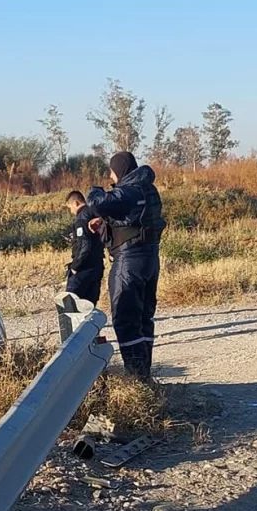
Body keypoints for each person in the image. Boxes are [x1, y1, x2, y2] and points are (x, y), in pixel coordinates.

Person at [86, 152, 166, 381]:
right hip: (150, 258)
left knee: (125, 317)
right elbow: (132, 221)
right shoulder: (147, 189)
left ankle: (136, 376)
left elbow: (96, 203)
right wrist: (104, 225)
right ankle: (144, 374)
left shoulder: (130, 190)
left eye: (112, 172)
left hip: (129, 261)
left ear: (120, 170)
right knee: (143, 318)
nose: (111, 177)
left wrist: (95, 189)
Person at [64, 190, 104, 304]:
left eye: (70, 207)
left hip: (84, 268)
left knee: (71, 303)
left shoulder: (82, 218)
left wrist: (75, 266)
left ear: (76, 203)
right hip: (97, 265)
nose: (71, 211)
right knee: (89, 305)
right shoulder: (95, 214)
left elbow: (85, 246)